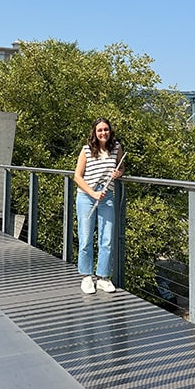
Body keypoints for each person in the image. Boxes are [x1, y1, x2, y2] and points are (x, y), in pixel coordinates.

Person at [73, 117, 125, 294]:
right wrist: (93, 193)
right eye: (100, 130)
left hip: (107, 196)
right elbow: (77, 177)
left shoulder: (116, 147)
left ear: (110, 131)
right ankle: (86, 276)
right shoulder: (86, 150)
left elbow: (122, 168)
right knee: (86, 237)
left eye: (106, 129)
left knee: (107, 238)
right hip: (87, 197)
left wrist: (119, 173)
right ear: (95, 133)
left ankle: (103, 277)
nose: (103, 133)